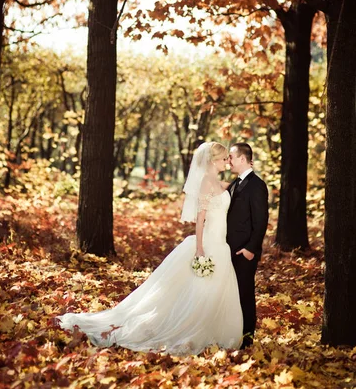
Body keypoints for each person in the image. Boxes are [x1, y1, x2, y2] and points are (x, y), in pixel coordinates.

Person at [57, 142, 243, 355]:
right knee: (200, 289)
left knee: (216, 290)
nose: (226, 163)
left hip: (222, 245)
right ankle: (187, 328)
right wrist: (200, 248)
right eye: (222, 159)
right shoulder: (205, 183)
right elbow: (200, 219)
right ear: (212, 161)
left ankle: (214, 330)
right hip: (209, 243)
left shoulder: (219, 182)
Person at [226, 143, 269, 348]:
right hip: (229, 250)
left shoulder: (257, 185)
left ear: (242, 158)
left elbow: (261, 221)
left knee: (245, 295)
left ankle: (247, 340)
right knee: (232, 294)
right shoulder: (235, 183)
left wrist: (251, 249)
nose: (229, 161)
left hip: (245, 252)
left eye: (231, 157)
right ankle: (234, 334)